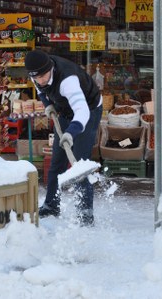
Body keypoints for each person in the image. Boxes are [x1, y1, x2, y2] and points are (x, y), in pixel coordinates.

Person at [24, 49, 103, 226]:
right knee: (57, 162)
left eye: (43, 76)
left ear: (50, 68)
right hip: (64, 111)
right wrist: (48, 105)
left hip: (88, 110)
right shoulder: (36, 74)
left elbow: (82, 111)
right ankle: (52, 205)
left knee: (79, 164)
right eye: (37, 78)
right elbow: (42, 91)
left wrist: (71, 132)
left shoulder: (68, 81)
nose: (41, 80)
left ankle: (85, 214)